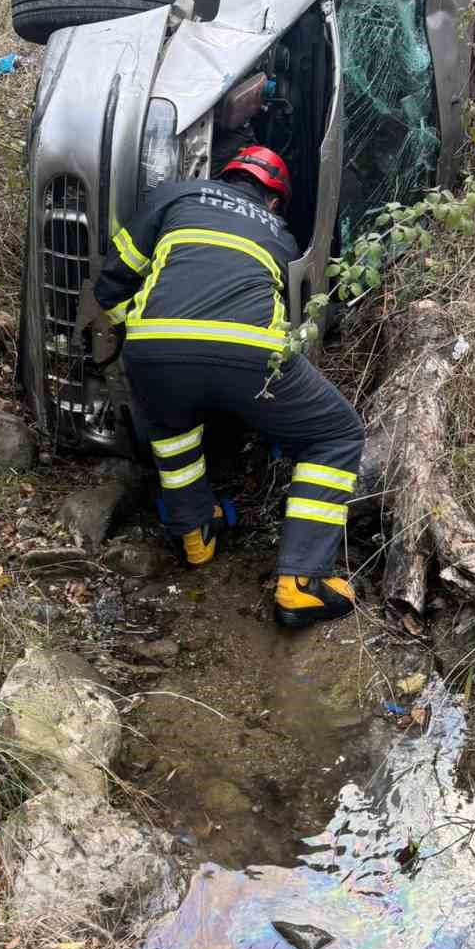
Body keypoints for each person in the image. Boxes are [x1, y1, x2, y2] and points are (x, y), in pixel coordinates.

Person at [94, 145, 364, 629]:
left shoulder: (175, 196)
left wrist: (137, 335)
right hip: (249, 354)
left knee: (170, 426)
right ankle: (302, 582)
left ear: (224, 176)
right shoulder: (279, 233)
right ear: (275, 200)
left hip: (155, 349)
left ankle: (195, 534)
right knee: (336, 435)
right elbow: (293, 313)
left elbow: (111, 283)